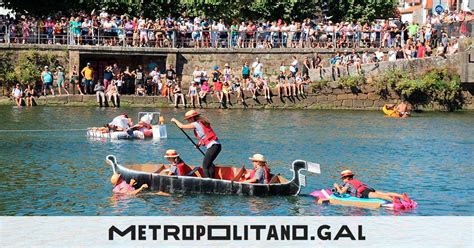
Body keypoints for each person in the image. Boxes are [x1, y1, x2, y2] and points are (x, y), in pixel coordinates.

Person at [171, 110, 221, 178]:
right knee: (209, 165)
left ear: (192, 118)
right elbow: (204, 136)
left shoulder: (196, 124)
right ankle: (212, 179)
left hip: (213, 146)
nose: (188, 121)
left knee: (205, 166)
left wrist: (175, 120)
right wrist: (199, 144)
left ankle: (208, 182)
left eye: (188, 119)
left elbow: (181, 126)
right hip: (216, 146)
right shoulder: (201, 123)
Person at [333, 170, 406, 202]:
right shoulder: (354, 180)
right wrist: (341, 187)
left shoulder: (348, 183)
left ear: (347, 178)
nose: (342, 180)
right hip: (368, 188)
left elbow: (342, 193)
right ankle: (402, 196)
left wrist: (337, 186)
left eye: (343, 178)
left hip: (364, 192)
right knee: (385, 193)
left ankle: (395, 201)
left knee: (380, 196)